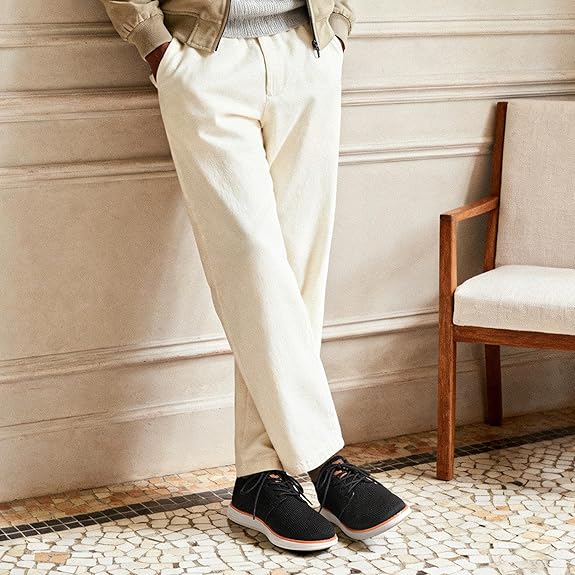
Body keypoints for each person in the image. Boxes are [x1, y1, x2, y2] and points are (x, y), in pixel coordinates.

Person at [99, 0, 410, 551]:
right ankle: (326, 464)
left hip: (308, 49)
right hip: (203, 56)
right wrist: (154, 42)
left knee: (298, 276)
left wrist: (337, 22)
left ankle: (259, 481)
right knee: (252, 263)